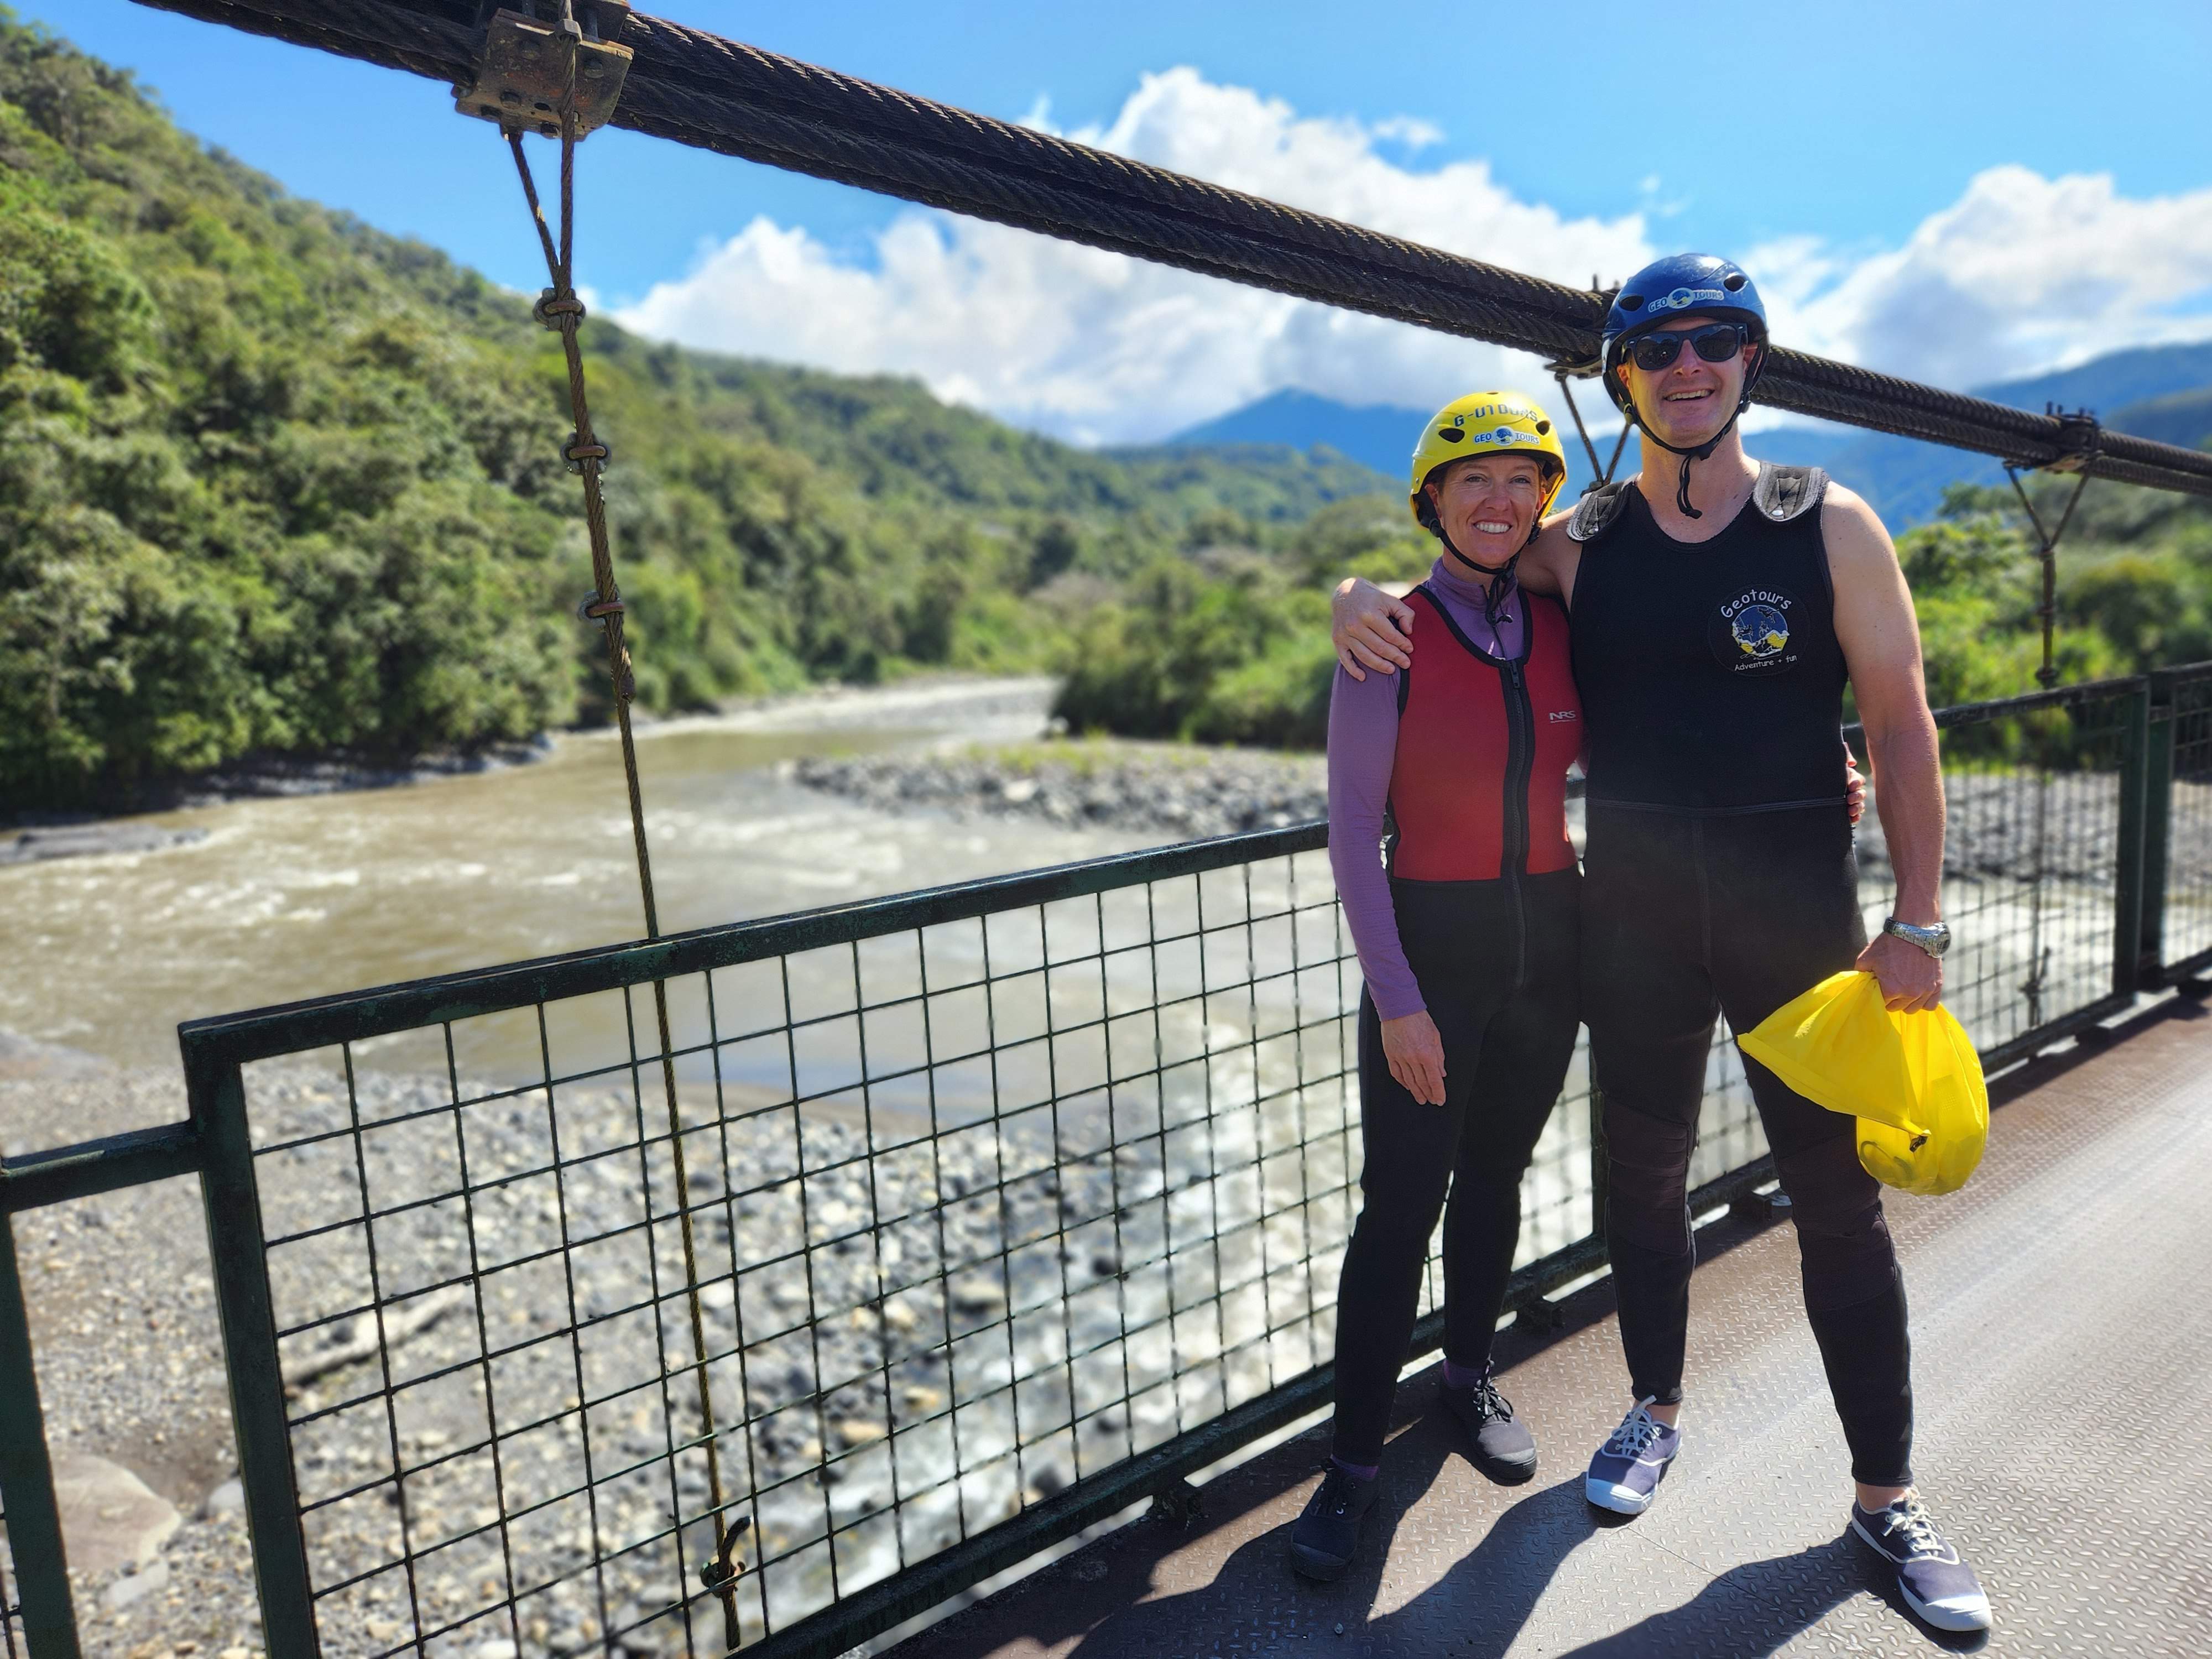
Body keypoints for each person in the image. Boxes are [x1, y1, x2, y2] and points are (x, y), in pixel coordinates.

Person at [1328, 254, 1991, 1635]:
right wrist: (1352, 593)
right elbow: (1463, 569)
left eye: (1711, 344)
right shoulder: (1584, 540)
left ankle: (1884, 1498)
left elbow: (1904, 722)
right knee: (1641, 1185)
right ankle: (1650, 1409)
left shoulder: (1830, 526)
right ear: (1622, 378)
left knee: (1836, 1211)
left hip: (1800, 934)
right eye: (1657, 350)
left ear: (1749, 360)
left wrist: (1916, 913)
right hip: (1628, 924)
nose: (1685, 368)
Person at [1290, 390, 1581, 1582]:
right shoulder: (1389, 633)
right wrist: (1396, 1000)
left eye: (1520, 479)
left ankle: (1466, 1377)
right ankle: (1351, 1466)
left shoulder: (1568, 621)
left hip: (1549, 946)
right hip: (1432, 957)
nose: (1498, 500)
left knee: (1499, 1177)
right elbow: (1352, 832)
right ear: (1431, 501)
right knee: (1397, 1213)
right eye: (1473, 481)